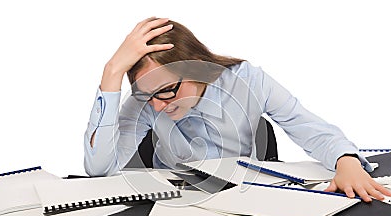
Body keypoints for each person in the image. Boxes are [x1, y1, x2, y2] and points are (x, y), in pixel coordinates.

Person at [84, 17, 390, 202]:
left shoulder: (247, 80)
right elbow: (99, 168)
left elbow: (305, 125)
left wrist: (345, 160)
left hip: (241, 199)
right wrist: (111, 73)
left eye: (166, 92)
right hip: (175, 203)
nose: (156, 106)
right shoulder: (147, 98)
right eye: (146, 95)